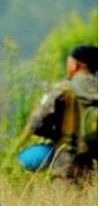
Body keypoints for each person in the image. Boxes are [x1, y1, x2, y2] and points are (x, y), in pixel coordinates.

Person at [26, 45, 97, 180]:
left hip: (66, 162)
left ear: (77, 65)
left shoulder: (63, 89)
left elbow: (35, 123)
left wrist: (54, 135)